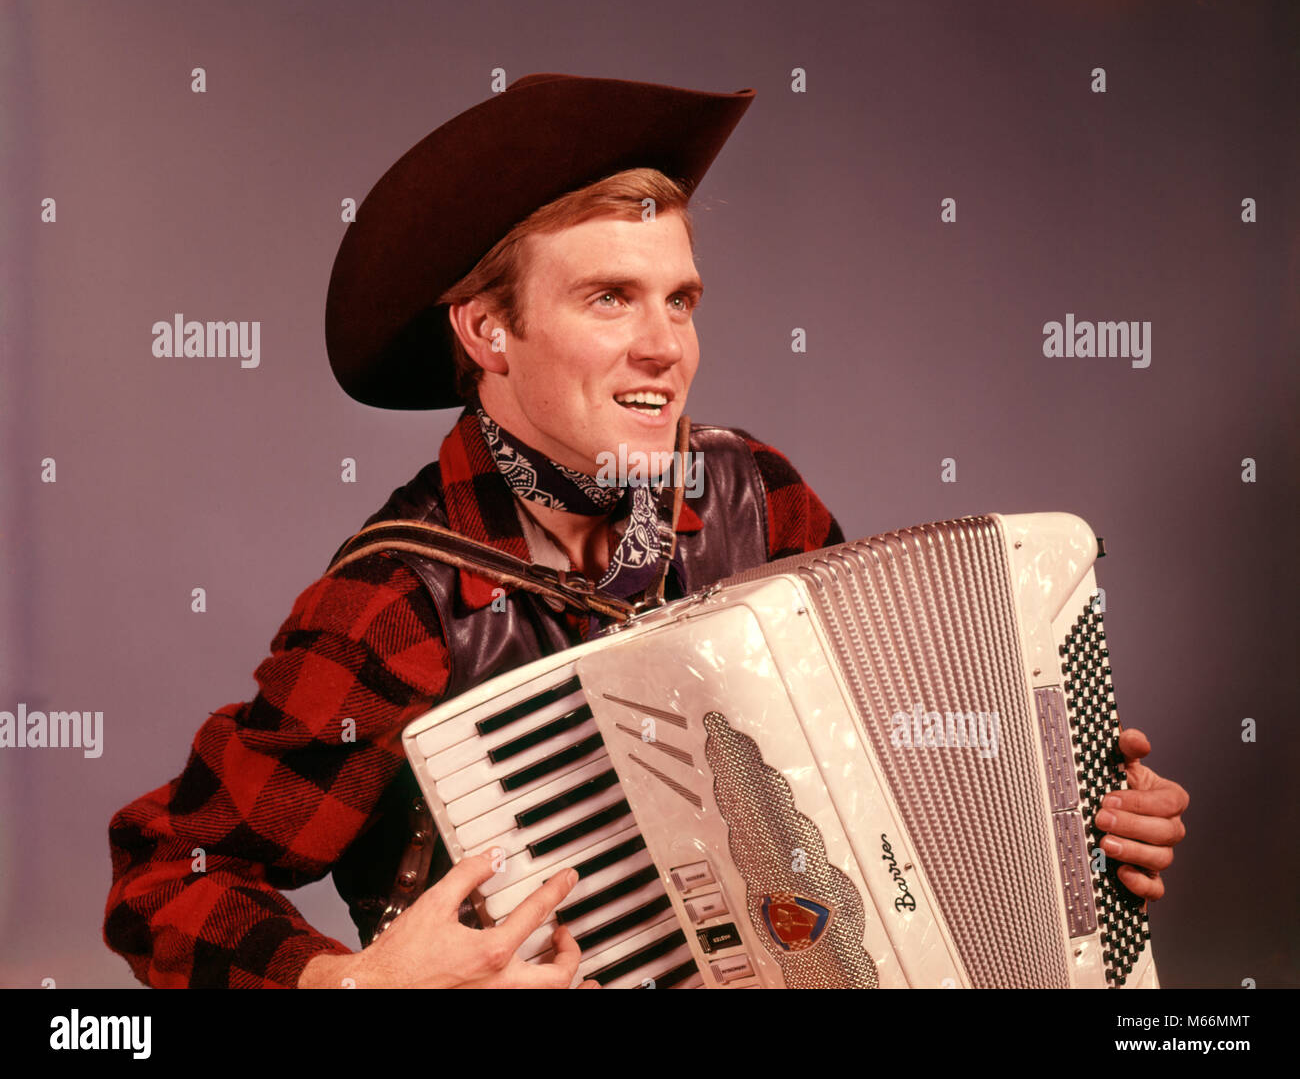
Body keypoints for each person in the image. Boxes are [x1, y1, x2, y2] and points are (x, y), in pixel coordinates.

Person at [104, 74, 1188, 989]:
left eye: (682, 299)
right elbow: (165, 873)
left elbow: (882, 763)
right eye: (611, 298)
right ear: (488, 330)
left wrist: (1065, 805)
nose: (665, 346)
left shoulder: (755, 495)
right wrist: (354, 979)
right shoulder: (398, 601)